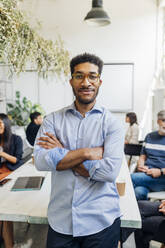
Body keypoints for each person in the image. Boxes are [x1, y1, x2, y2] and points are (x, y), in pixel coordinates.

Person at [34, 53, 124, 248]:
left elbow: (108, 172)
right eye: (79, 76)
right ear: (71, 81)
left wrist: (61, 154)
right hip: (61, 221)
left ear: (99, 81)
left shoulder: (112, 124)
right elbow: (41, 161)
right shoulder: (52, 120)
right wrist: (87, 153)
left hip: (101, 221)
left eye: (92, 76)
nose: (86, 82)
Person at [0, 113, 23, 248]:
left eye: (0, 124)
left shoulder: (16, 139)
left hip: (10, 174)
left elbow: (17, 160)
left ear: (6, 125)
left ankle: (9, 245)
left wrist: (2, 154)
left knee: (4, 213)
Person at [131, 110, 165, 200]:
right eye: (164, 120)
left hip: (162, 177)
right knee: (138, 192)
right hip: (147, 175)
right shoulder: (149, 137)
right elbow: (142, 156)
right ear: (158, 121)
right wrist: (141, 165)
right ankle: (145, 213)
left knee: (130, 178)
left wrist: (160, 171)